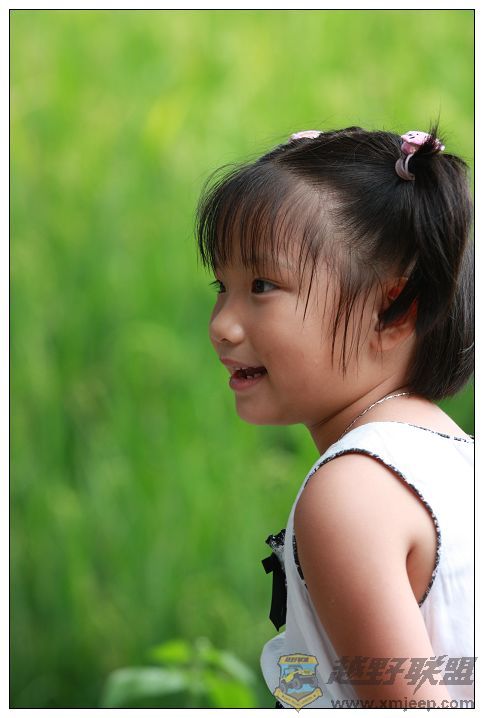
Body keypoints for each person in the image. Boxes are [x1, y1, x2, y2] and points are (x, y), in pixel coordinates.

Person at [195, 125, 474, 709]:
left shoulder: (351, 493)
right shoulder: (454, 458)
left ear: (392, 312)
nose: (222, 324)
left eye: (262, 285)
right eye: (223, 285)